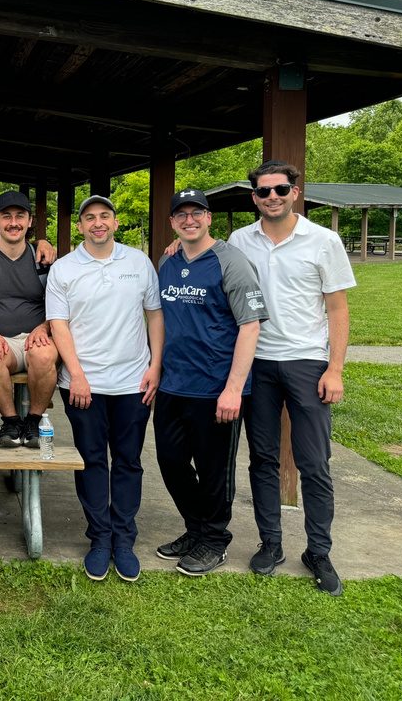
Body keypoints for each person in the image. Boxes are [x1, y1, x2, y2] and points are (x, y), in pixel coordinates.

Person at [227, 160, 355, 596]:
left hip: (306, 361)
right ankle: (272, 543)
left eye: (281, 189)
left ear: (295, 192)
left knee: (314, 462)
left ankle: (318, 551)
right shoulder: (239, 240)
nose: (273, 197)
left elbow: (337, 309)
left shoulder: (323, 240)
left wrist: (335, 369)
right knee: (261, 458)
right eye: (264, 192)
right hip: (257, 362)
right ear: (255, 198)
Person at [46, 195, 163, 583]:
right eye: (90, 218)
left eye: (105, 217)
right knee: (92, 461)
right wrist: (76, 374)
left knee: (128, 461)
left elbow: (154, 314)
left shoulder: (138, 262)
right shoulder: (64, 269)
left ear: (115, 223)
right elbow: (59, 325)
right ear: (80, 226)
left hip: (133, 381)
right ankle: (99, 538)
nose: (98, 223)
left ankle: (124, 540)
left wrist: (155, 365)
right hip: (83, 384)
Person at [155, 189, 267, 576]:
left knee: (214, 468)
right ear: (172, 222)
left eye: (196, 213)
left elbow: (250, 326)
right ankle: (195, 528)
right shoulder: (166, 262)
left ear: (208, 218)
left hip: (215, 388)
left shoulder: (231, 261)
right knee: (170, 461)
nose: (189, 220)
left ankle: (215, 540)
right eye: (181, 214)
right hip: (173, 384)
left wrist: (234, 388)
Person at [0, 190, 58, 449]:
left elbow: (64, 307)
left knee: (45, 355)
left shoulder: (45, 260)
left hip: (37, 336)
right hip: (1, 338)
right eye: (6, 216)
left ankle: (34, 422)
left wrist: (45, 326)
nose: (13, 222)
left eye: (20, 216)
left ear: (29, 222)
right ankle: (11, 422)